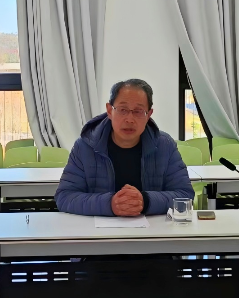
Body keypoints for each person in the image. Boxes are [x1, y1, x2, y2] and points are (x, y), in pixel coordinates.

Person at [55, 79, 194, 216]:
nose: (129, 119)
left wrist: (145, 201)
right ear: (109, 111)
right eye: (122, 110)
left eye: (138, 111)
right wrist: (109, 204)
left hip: (152, 229)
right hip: (98, 229)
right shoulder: (85, 146)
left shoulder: (165, 145)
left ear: (148, 115)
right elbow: (64, 197)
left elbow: (185, 195)